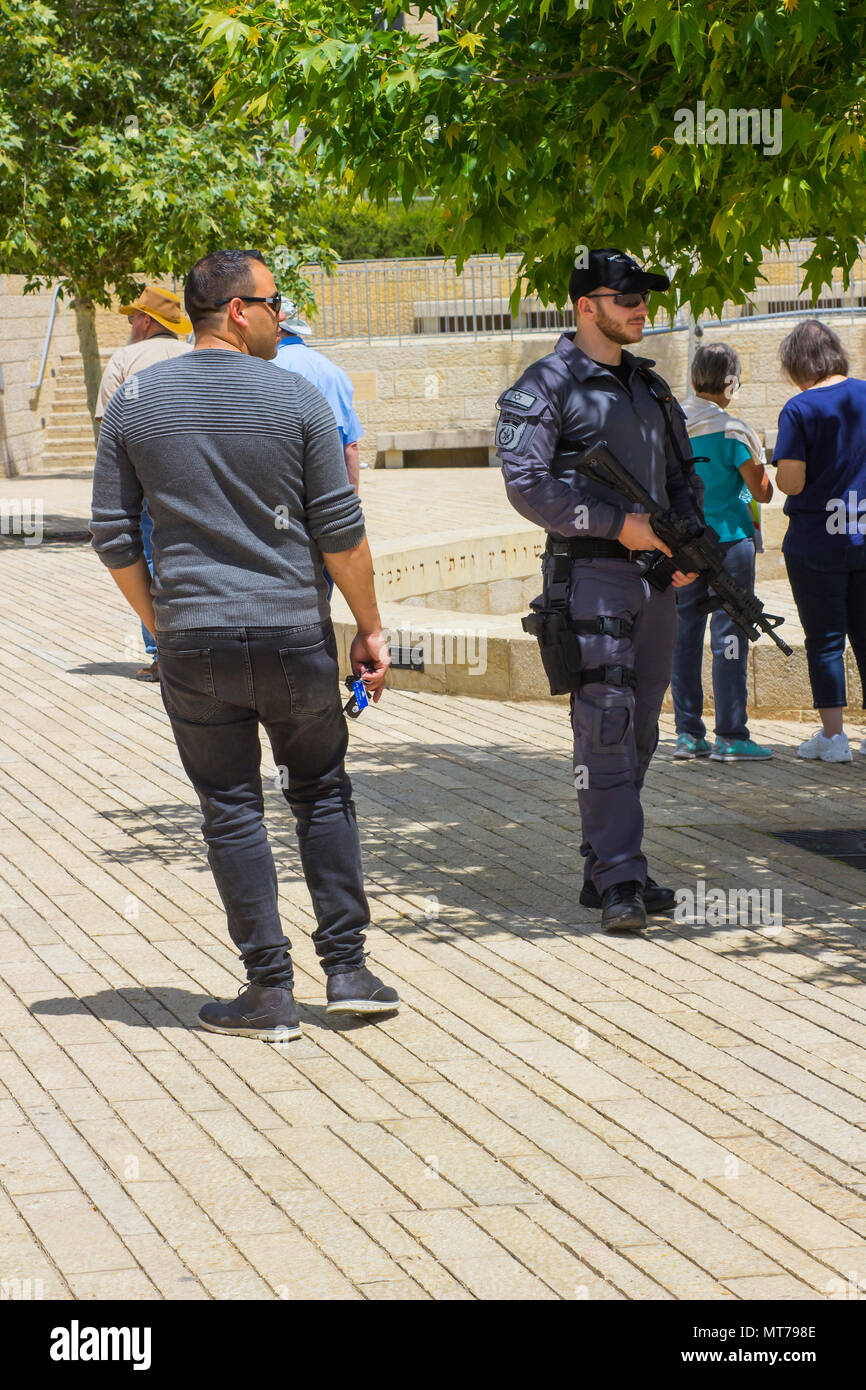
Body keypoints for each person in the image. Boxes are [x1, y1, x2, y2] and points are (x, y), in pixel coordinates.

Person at [90, 248, 398, 1040]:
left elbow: (113, 534)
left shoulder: (135, 403)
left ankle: (268, 990)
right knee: (321, 791)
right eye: (274, 303)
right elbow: (341, 531)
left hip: (195, 643)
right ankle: (348, 970)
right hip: (294, 633)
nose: (282, 315)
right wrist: (367, 626)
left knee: (230, 809)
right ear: (237, 309)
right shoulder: (297, 401)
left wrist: (161, 623)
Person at [496, 248, 705, 934]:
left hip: (653, 582)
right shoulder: (546, 385)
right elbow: (527, 484)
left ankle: (607, 869)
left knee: (640, 728)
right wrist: (622, 525)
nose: (641, 308)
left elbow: (684, 478)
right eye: (626, 299)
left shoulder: (653, 388)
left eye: (644, 297)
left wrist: (686, 546)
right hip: (591, 577)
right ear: (586, 307)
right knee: (606, 723)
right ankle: (620, 878)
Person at [671, 343, 774, 762]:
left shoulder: (673, 426)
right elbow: (763, 493)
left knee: (684, 636)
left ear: (694, 380)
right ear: (730, 383)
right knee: (730, 635)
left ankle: (687, 734)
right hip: (730, 541)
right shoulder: (734, 431)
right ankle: (731, 735)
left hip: (684, 544)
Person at [773, 318, 866, 762]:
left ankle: (834, 737)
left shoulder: (799, 408)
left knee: (825, 638)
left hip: (815, 539)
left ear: (797, 362)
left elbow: (791, 482)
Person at [95, 287, 193, 681]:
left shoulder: (124, 359)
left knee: (147, 558)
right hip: (194, 478)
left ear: (146, 321)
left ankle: (160, 652)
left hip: (144, 478)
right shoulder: (194, 352)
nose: (130, 324)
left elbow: (106, 430)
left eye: (132, 317)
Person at [272, 302, 364, 492]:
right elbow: (351, 446)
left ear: (277, 330)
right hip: (331, 489)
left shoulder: (269, 367)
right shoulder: (335, 372)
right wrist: (352, 502)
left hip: (287, 490)